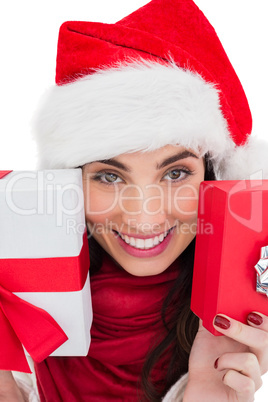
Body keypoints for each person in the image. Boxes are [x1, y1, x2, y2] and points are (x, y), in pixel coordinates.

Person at [1, 0, 268, 401]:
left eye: (175, 173)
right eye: (109, 176)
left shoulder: (243, 321)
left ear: (215, 180)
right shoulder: (15, 306)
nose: (144, 217)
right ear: (70, 185)